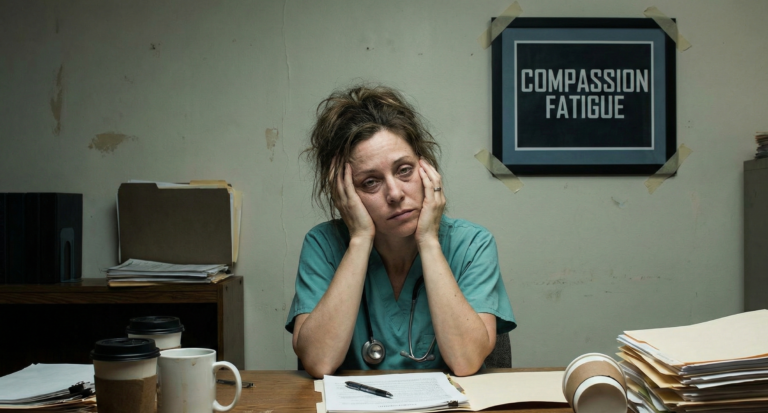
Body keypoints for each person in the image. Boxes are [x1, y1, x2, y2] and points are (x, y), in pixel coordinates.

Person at [285, 84, 516, 378]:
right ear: (343, 192)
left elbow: (466, 361)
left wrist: (429, 241)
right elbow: (318, 362)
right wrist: (359, 241)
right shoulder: (323, 245)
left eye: (404, 170)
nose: (394, 193)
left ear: (426, 169)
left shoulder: (472, 244)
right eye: (370, 182)